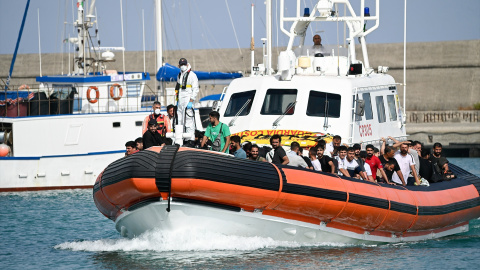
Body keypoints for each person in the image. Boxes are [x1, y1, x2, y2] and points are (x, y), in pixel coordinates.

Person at [175, 58, 199, 144]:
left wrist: (191, 101)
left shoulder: (192, 75)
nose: (183, 66)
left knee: (189, 119)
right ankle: (181, 138)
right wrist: (177, 100)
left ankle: (190, 138)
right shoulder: (179, 75)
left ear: (187, 64)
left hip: (188, 99)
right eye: (181, 65)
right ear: (179, 66)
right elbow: (178, 89)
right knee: (180, 119)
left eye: (184, 64)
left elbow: (195, 89)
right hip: (180, 101)